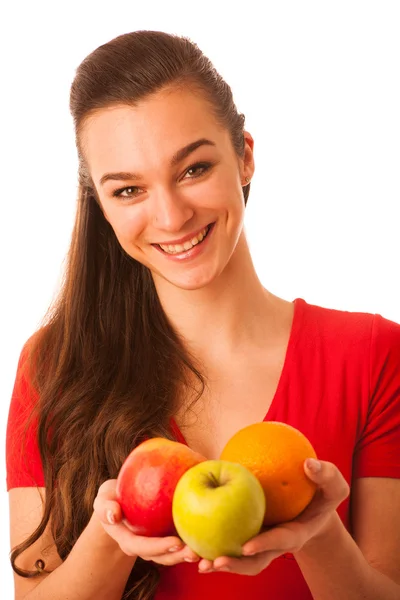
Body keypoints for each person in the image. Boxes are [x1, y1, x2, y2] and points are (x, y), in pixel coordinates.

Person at [5, 30, 400, 600]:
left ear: (244, 155)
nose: (170, 216)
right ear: (101, 205)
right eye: (128, 190)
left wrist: (318, 536)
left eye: (193, 169)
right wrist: (112, 535)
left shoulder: (373, 356)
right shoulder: (55, 366)